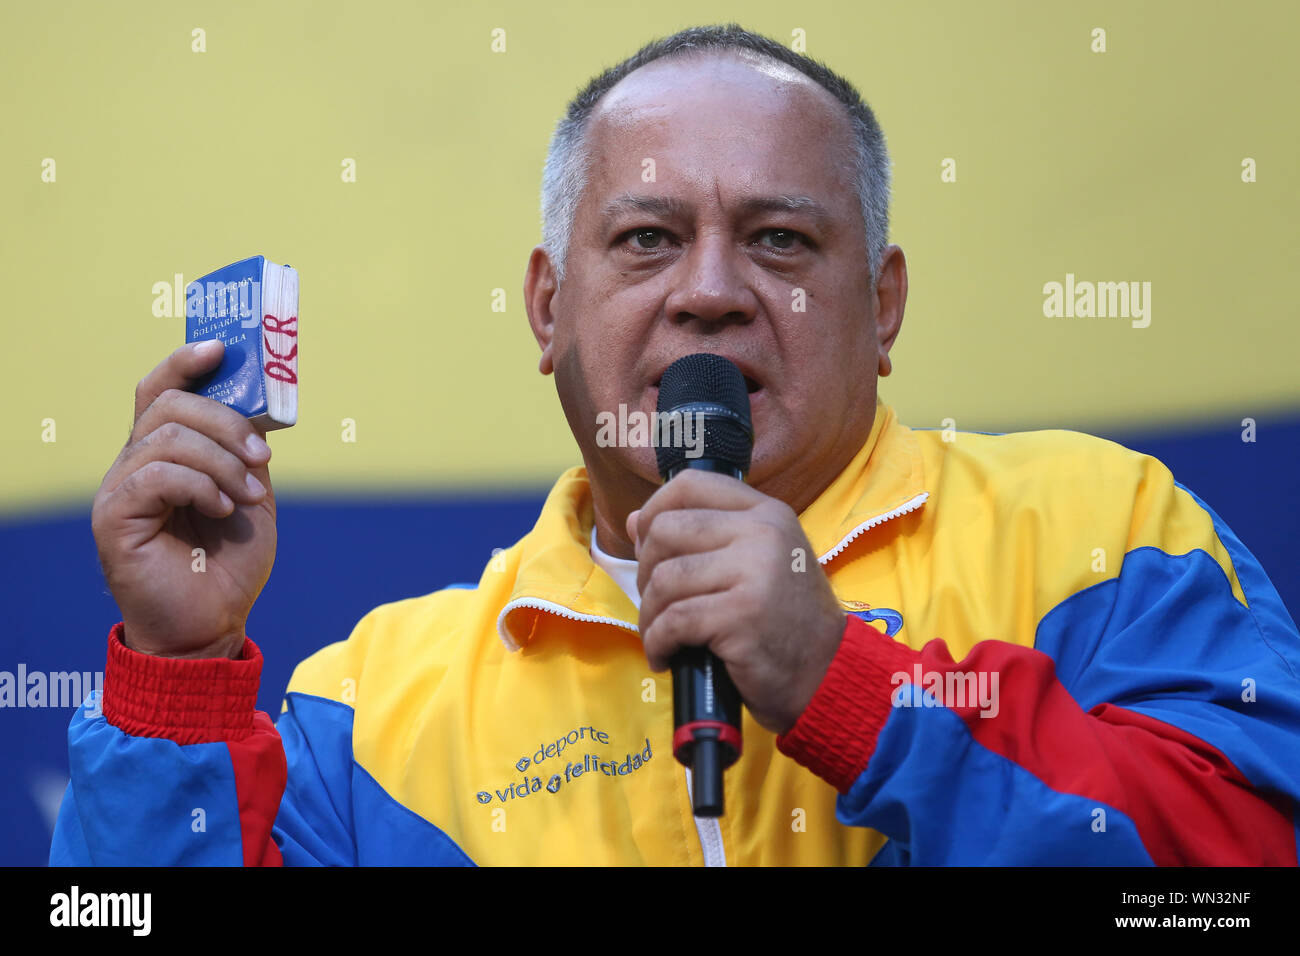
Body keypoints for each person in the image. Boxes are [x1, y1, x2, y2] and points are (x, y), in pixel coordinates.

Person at [53, 23, 1300, 866]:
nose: (708, 291)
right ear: (548, 308)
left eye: (779, 241)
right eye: (646, 239)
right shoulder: (374, 708)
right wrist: (174, 676)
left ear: (884, 306)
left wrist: (850, 687)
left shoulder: (1105, 531)